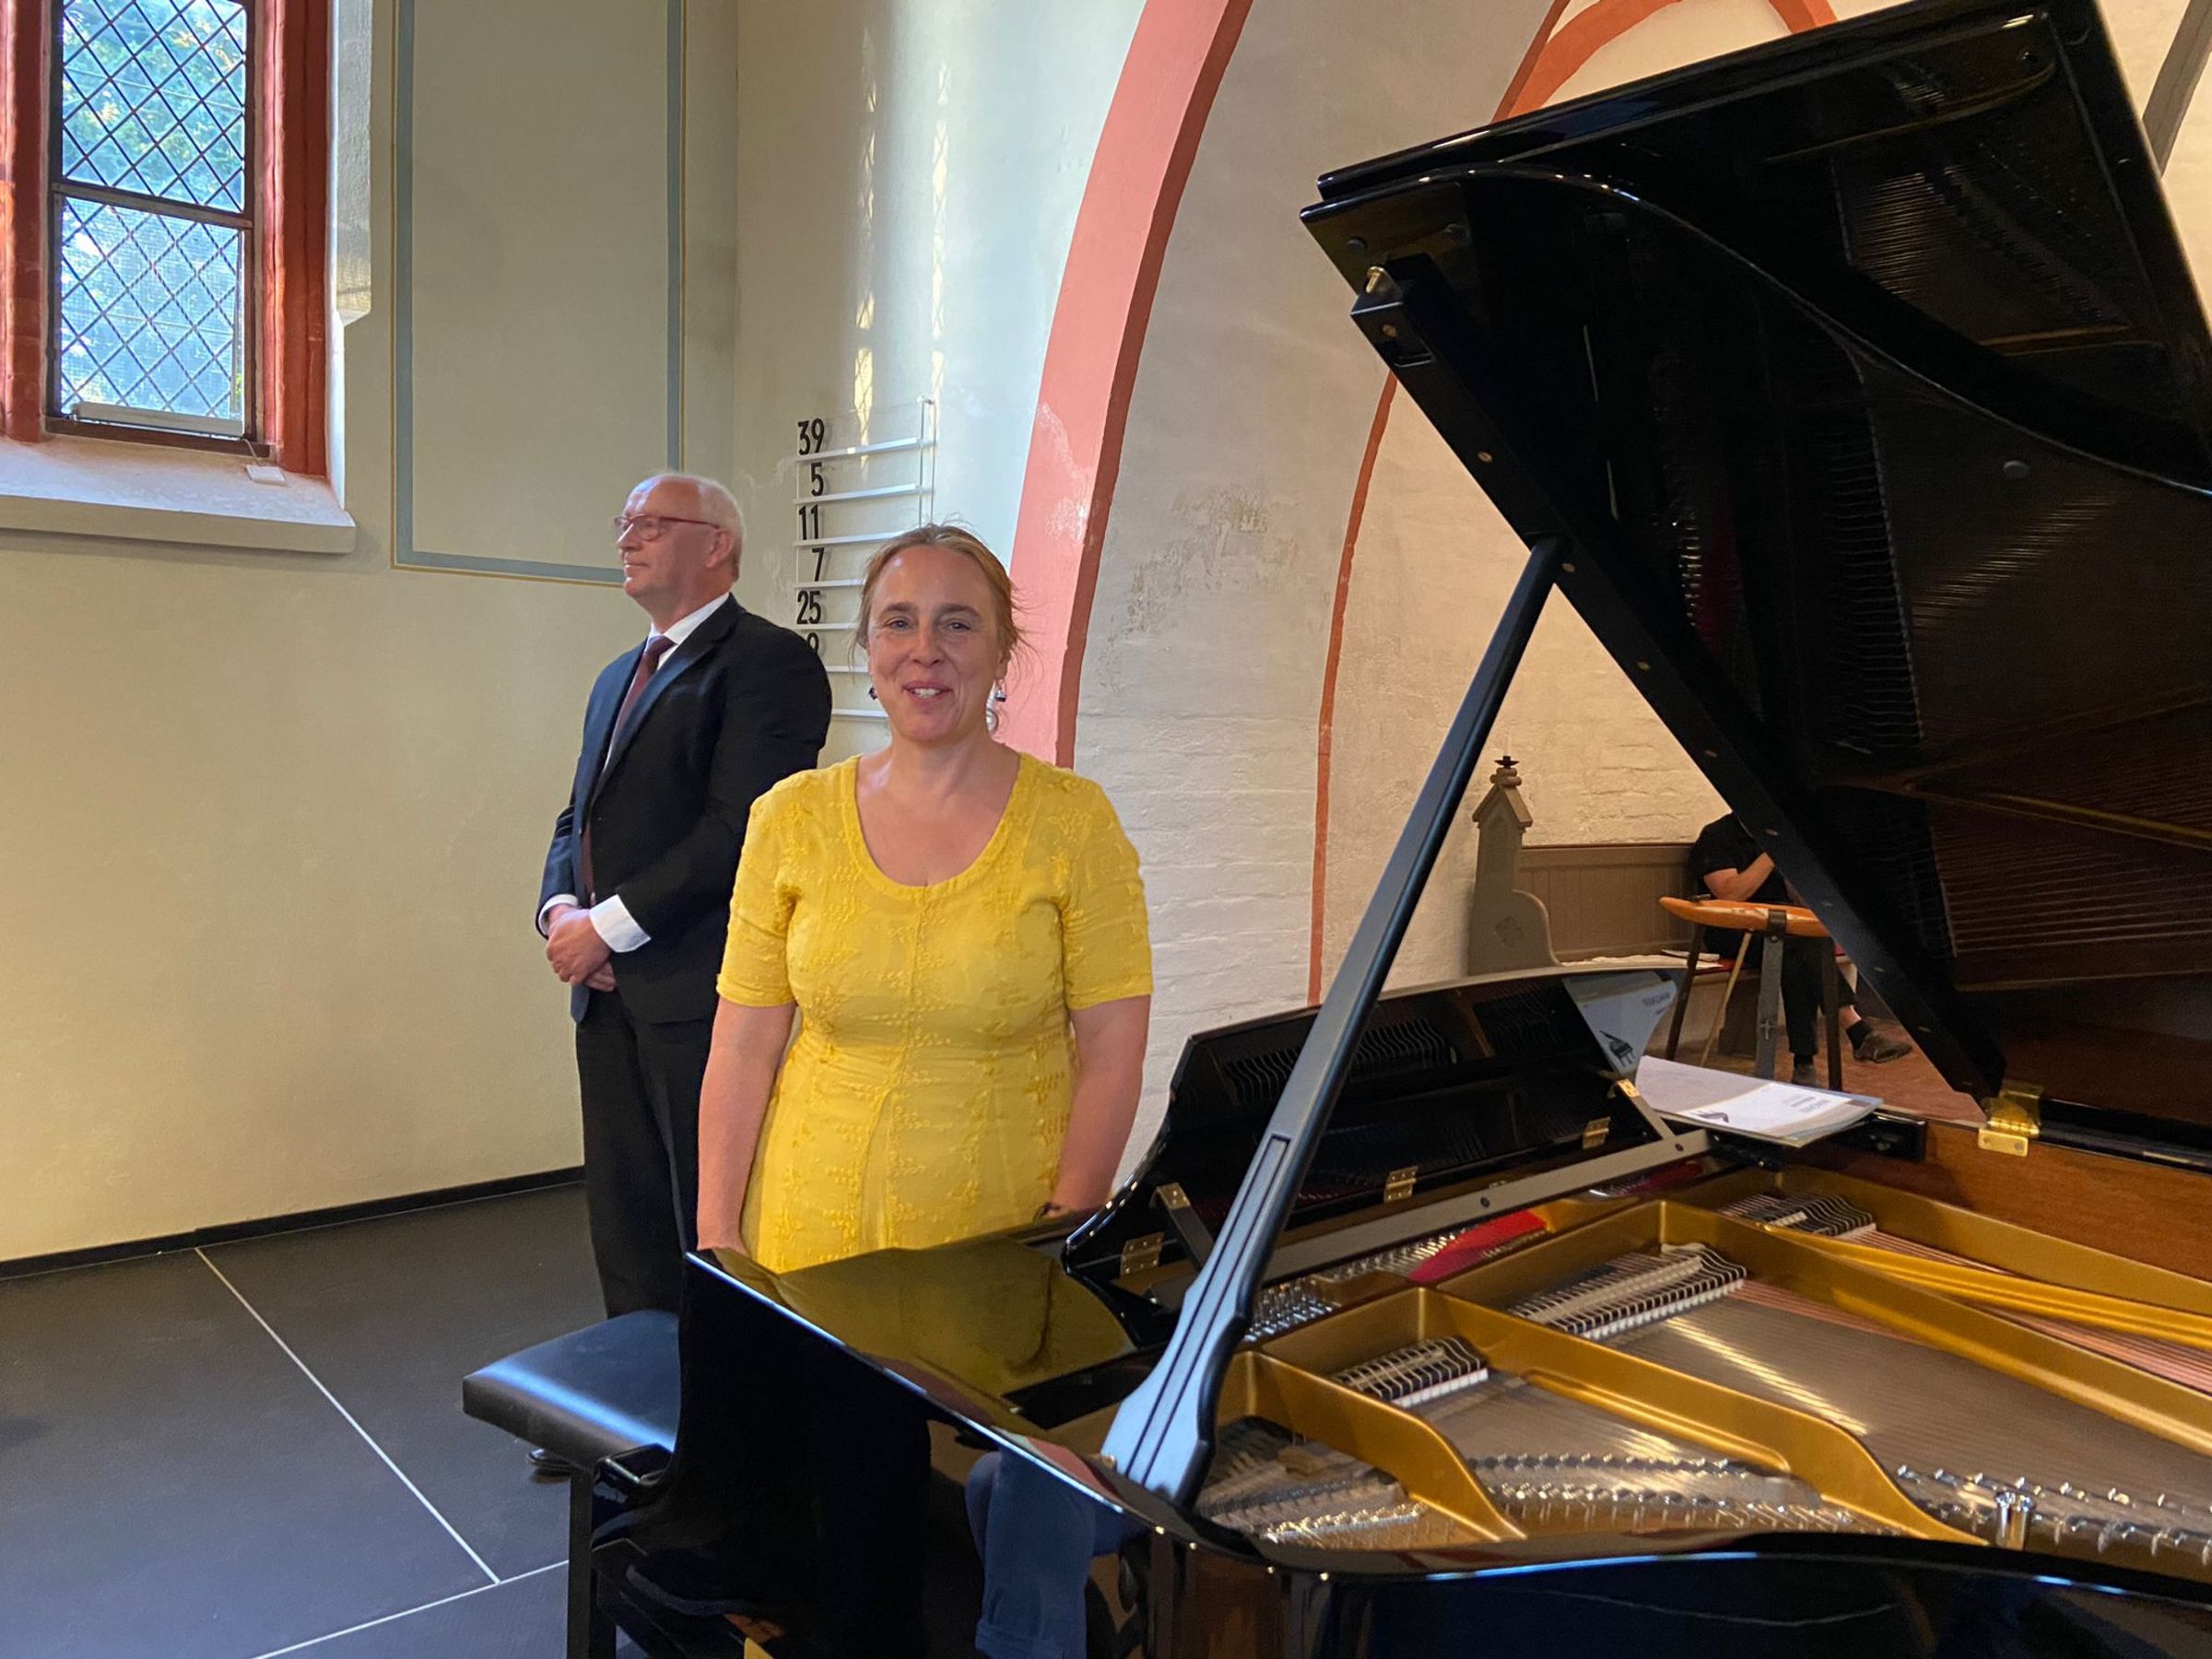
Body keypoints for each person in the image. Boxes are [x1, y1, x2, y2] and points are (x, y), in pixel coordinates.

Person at [696, 522, 1152, 1270]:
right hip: (802, 1241)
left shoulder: (1074, 823)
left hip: (1001, 1247)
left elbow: (1113, 1053)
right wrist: (718, 1238)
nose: (925, 650)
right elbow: (743, 1047)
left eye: (958, 624)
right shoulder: (790, 817)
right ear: (868, 649)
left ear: (1003, 651)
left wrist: (1063, 1232)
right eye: (898, 622)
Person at [537, 474, 830, 1328]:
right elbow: (579, 815)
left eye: (651, 524)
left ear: (717, 545)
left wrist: (608, 928)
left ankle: (717, 1393)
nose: (626, 539)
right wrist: (561, 912)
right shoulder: (615, 677)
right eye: (624, 522)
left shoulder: (767, 663)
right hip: (605, 992)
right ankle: (636, 1383)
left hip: (703, 993)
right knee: (624, 1214)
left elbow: (741, 829)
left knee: (707, 1216)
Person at [1690, 812, 1911, 1086]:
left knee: (1803, 947)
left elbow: (1800, 900)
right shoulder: (1717, 836)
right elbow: (1729, 894)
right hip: (1735, 929)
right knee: (1800, 947)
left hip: (1784, 926)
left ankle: (1807, 1063)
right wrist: (1771, 853)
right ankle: (1851, 1031)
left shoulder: (1778, 834)